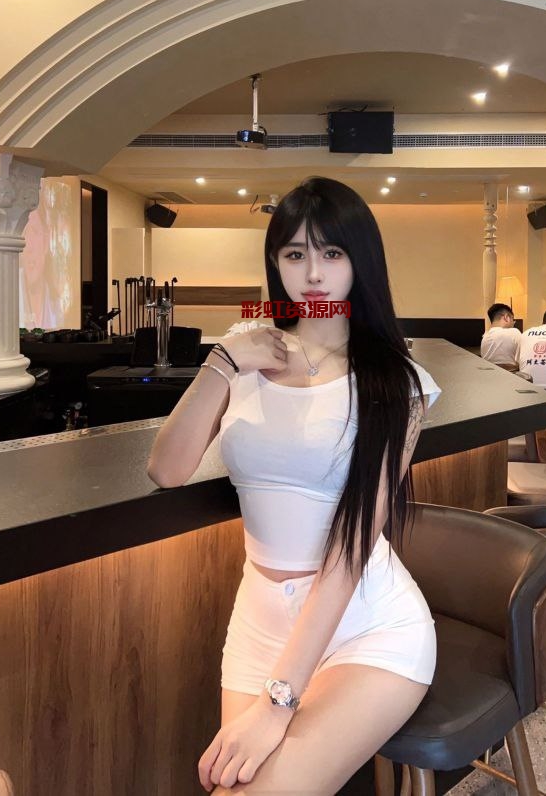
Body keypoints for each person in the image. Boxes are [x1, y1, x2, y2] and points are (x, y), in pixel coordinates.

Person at [148, 176, 441, 794]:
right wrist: (223, 360)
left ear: (360, 262)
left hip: (364, 623)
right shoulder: (246, 353)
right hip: (258, 619)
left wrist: (279, 701)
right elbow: (167, 468)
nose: (312, 274)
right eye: (295, 253)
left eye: (332, 253)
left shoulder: (395, 381)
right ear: (275, 261)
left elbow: (353, 548)